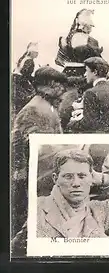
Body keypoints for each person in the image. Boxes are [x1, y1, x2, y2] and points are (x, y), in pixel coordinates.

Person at [11, 149, 109, 256]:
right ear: (55, 179)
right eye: (68, 176)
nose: (76, 183)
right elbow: (14, 254)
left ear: (92, 178)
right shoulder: (38, 207)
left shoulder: (100, 209)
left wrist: (104, 179)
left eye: (82, 176)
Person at [11, 66, 67, 236]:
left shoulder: (47, 106)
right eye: (60, 85)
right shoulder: (34, 108)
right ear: (50, 85)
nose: (63, 89)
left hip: (44, 169)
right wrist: (20, 171)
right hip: (32, 172)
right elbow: (18, 142)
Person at [67, 57, 109, 133]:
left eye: (86, 71)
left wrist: (72, 123)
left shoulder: (91, 93)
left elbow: (89, 123)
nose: (85, 74)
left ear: (95, 72)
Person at [12, 42, 39, 117]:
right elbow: (25, 75)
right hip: (19, 80)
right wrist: (34, 81)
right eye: (36, 53)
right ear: (32, 53)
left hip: (15, 78)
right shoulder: (30, 61)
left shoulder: (24, 58)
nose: (37, 54)